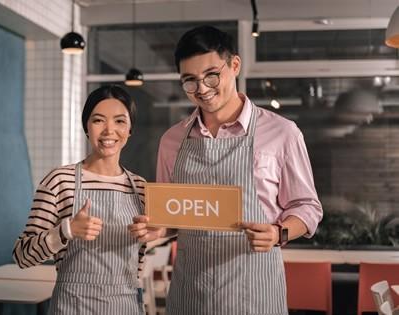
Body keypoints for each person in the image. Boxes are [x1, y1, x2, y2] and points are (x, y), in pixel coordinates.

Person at [128, 25, 323, 315]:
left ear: (234, 65)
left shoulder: (282, 133)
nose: (202, 89)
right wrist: (160, 228)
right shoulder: (172, 140)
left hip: (255, 294)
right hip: (191, 294)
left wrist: (278, 233)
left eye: (211, 75)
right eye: (190, 81)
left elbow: (307, 207)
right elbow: (173, 216)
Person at [13, 85, 146, 314]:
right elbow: (22, 256)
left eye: (119, 121)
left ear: (130, 129)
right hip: (73, 307)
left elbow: (138, 266)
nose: (109, 130)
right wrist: (66, 231)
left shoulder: (141, 189)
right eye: (98, 120)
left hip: (126, 306)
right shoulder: (59, 181)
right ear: (86, 126)